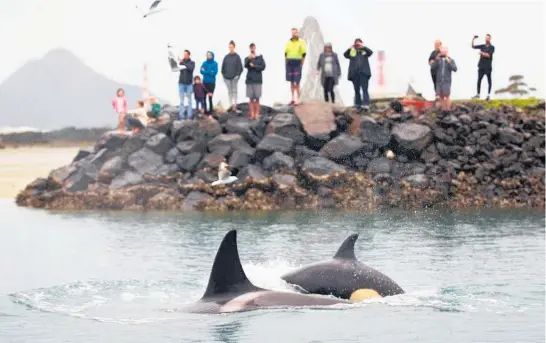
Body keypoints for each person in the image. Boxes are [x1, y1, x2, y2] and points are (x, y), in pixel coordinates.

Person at [343, 38, 373, 110]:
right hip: (354, 74)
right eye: (356, 44)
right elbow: (345, 55)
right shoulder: (352, 52)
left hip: (364, 73)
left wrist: (363, 47)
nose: (357, 45)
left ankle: (366, 104)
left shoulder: (364, 52)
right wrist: (350, 47)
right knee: (356, 90)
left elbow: (370, 52)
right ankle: (357, 104)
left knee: (364, 89)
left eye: (359, 44)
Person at [430, 46, 457, 111]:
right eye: (442, 52)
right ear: (440, 52)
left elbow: (455, 69)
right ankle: (443, 110)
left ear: (447, 52)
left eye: (445, 51)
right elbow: (432, 68)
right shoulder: (438, 60)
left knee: (447, 96)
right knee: (440, 96)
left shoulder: (451, 60)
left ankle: (448, 110)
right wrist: (436, 60)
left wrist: (449, 62)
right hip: (439, 81)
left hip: (447, 81)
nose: (443, 53)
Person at [285, 28, 307, 105]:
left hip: (297, 62)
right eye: (292, 33)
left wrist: (301, 64)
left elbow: (304, 54)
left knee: (297, 82)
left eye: (295, 33)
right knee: (291, 82)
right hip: (289, 63)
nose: (294, 34)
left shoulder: (301, 42)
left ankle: (298, 99)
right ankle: (292, 99)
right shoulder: (288, 42)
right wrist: (286, 63)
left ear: (297, 33)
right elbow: (286, 53)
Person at [244, 43, 266, 120]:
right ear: (249, 49)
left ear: (255, 48)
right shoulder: (247, 58)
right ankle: (252, 113)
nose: (252, 49)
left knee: (257, 98)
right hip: (249, 80)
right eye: (251, 48)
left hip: (258, 80)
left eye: (253, 47)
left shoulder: (260, 57)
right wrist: (249, 59)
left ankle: (256, 114)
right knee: (250, 98)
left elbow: (263, 67)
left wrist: (254, 66)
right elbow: (245, 65)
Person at [221, 41, 243, 112]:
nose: (231, 48)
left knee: (234, 91)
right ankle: (231, 105)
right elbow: (223, 68)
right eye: (229, 47)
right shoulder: (226, 57)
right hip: (227, 78)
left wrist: (237, 75)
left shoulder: (237, 57)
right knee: (229, 92)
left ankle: (235, 105)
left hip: (234, 78)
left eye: (232, 47)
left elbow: (240, 68)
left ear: (234, 47)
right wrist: (224, 76)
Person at [471, 34, 495, 100]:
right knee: (479, 80)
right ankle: (478, 94)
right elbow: (473, 46)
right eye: (486, 38)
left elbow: (488, 55)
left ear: (490, 39)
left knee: (489, 80)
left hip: (488, 66)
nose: (486, 39)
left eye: (488, 38)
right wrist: (473, 39)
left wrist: (482, 53)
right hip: (481, 66)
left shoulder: (492, 47)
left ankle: (488, 95)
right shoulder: (482, 46)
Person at [178, 50, 195, 120]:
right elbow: (178, 68)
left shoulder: (192, 63)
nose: (184, 55)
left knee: (189, 101)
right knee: (181, 101)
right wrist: (180, 62)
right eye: (183, 54)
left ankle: (189, 116)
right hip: (181, 83)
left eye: (185, 54)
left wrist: (183, 63)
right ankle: (181, 117)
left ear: (188, 55)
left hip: (189, 84)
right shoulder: (181, 63)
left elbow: (191, 68)